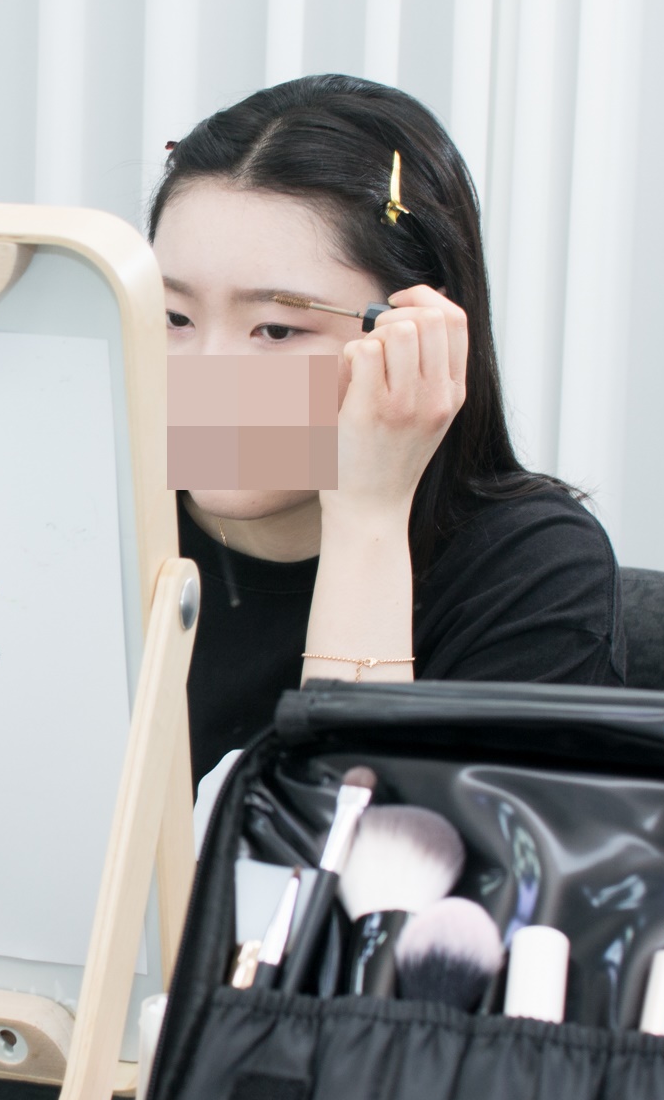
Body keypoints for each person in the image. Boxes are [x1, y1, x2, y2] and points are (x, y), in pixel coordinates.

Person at [155, 74, 622, 781]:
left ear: (417, 333)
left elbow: (346, 840)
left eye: (276, 329)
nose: (205, 376)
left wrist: (368, 515)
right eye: (174, 317)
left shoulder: (532, 572)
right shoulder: (91, 518)